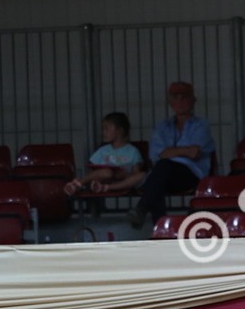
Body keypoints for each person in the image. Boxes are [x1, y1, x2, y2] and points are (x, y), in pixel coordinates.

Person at [129, 81, 216, 228]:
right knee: (159, 179)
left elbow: (194, 153)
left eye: (184, 97)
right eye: (176, 97)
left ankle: (144, 210)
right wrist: (184, 151)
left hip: (191, 174)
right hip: (165, 174)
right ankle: (160, 227)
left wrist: (168, 152)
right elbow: (155, 154)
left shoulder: (201, 125)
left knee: (160, 171)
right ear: (170, 102)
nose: (180, 101)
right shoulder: (162, 127)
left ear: (193, 100)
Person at [63, 112, 146, 196]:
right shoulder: (103, 150)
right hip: (103, 180)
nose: (104, 132)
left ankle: (107, 187)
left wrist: (124, 174)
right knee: (107, 172)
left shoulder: (133, 151)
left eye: (107, 129)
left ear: (119, 131)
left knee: (142, 175)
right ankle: (78, 184)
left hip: (124, 183)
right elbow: (92, 170)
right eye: (103, 129)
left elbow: (136, 173)